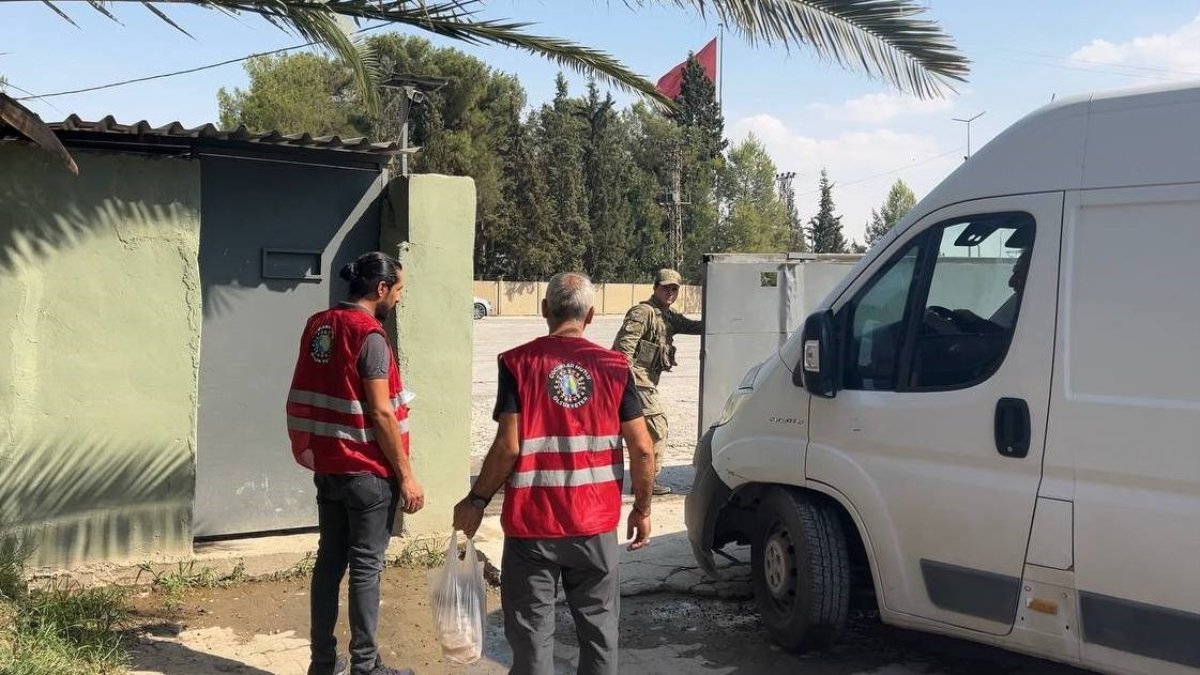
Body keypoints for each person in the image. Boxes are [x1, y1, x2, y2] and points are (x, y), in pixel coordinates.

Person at [452, 272, 655, 675]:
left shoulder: (518, 363)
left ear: (544, 310)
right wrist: (642, 509)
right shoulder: (615, 367)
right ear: (591, 315)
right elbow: (643, 448)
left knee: (531, 641)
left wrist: (477, 500)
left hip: (533, 529)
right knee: (599, 636)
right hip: (594, 527)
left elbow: (509, 446)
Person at [286, 251, 424, 675]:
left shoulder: (318, 325)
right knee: (367, 568)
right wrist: (407, 477)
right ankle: (366, 665)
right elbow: (382, 413)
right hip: (366, 473)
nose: (399, 299)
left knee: (329, 563)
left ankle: (322, 663)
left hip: (328, 467)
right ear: (380, 289)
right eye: (398, 290)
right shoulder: (371, 335)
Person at [611, 268, 703, 495]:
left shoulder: (668, 316)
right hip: (635, 381)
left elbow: (694, 327)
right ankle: (647, 482)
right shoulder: (643, 312)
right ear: (655, 288)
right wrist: (629, 384)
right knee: (657, 427)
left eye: (674, 289)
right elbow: (623, 350)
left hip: (642, 383)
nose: (670, 292)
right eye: (665, 287)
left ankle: (641, 480)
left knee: (636, 432)